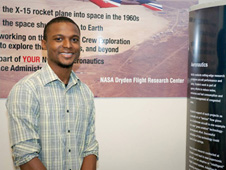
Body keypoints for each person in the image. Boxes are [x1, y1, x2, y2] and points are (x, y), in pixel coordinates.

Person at [6, 17, 99, 170]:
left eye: (74, 39)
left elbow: (90, 147)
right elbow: (25, 154)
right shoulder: (26, 89)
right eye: (58, 39)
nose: (68, 45)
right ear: (44, 44)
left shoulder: (85, 92)